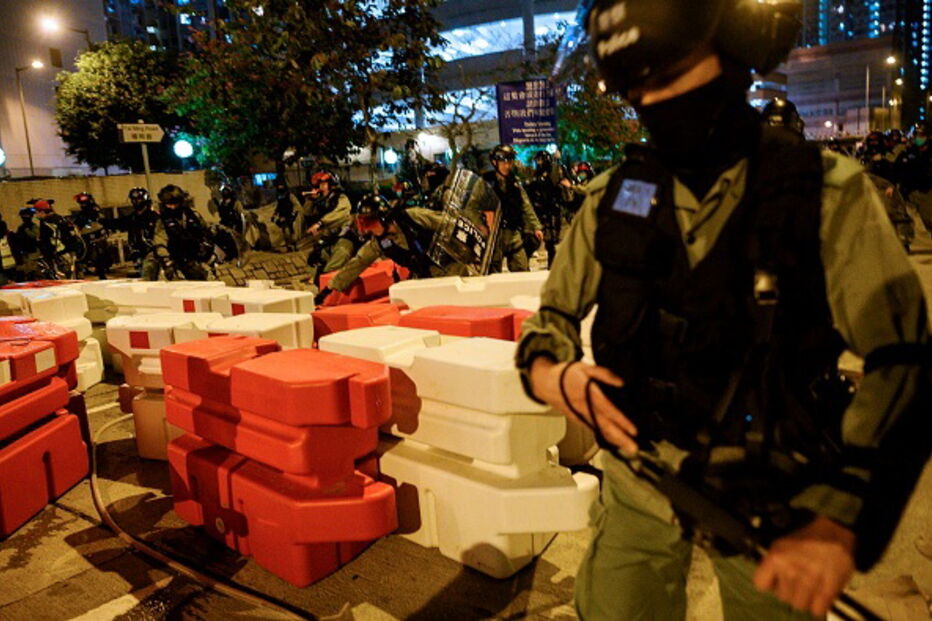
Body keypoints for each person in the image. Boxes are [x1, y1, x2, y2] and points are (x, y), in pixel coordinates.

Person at [518, 1, 929, 619]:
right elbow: (546, 326)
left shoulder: (825, 192)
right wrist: (558, 377)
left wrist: (838, 517)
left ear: (732, 53)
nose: (654, 101)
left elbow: (905, 362)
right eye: (638, 87)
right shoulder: (612, 199)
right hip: (639, 476)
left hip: (773, 493)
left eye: (671, 73)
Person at [316, 193, 469, 303]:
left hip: (453, 269)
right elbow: (358, 262)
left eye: (369, 224)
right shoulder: (380, 242)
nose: (367, 230)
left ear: (383, 218)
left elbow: (450, 224)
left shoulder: (412, 218)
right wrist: (330, 288)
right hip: (425, 279)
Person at [481, 145, 543, 272]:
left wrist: (536, 226)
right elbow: (474, 205)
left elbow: (525, 205)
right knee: (492, 273)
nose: (507, 166)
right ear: (495, 162)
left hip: (513, 233)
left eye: (509, 162)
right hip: (493, 235)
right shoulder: (485, 182)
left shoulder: (514, 182)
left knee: (522, 268)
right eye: (503, 162)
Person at [156, 185, 211, 280]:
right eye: (169, 204)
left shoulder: (193, 214)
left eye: (175, 203)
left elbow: (206, 231)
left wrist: (208, 249)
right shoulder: (163, 221)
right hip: (177, 263)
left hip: (197, 259)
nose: (172, 207)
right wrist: (167, 261)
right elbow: (160, 242)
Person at [526, 150, 569, 267]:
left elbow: (558, 189)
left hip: (553, 210)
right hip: (541, 210)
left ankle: (553, 263)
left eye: (540, 160)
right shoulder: (537, 175)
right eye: (537, 161)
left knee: (553, 241)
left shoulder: (554, 172)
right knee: (540, 238)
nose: (538, 163)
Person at [893, 122, 932, 235]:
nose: (919, 138)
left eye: (922, 135)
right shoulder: (907, 152)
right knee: (908, 220)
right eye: (917, 135)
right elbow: (896, 169)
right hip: (909, 193)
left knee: (928, 219)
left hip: (927, 191)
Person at [71, 192, 113, 279]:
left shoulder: (95, 210)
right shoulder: (82, 215)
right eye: (81, 203)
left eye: (84, 202)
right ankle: (90, 269)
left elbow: (98, 221)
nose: (83, 204)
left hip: (98, 237)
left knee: (101, 255)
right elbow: (79, 223)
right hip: (87, 237)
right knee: (87, 255)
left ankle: (101, 271)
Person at [271, 178, 301, 252]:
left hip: (289, 215)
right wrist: (274, 215)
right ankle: (289, 246)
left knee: (291, 231)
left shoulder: (289, 195)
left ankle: (294, 245)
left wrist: (293, 213)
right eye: (279, 185)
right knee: (285, 231)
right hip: (283, 215)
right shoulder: (279, 195)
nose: (280, 187)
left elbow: (296, 205)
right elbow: (279, 206)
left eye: (281, 185)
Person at [13, 207, 42, 281]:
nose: (24, 218)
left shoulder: (32, 226)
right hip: (25, 252)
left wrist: (27, 231)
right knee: (26, 270)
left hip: (33, 251)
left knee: (32, 271)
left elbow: (36, 236)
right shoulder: (21, 227)